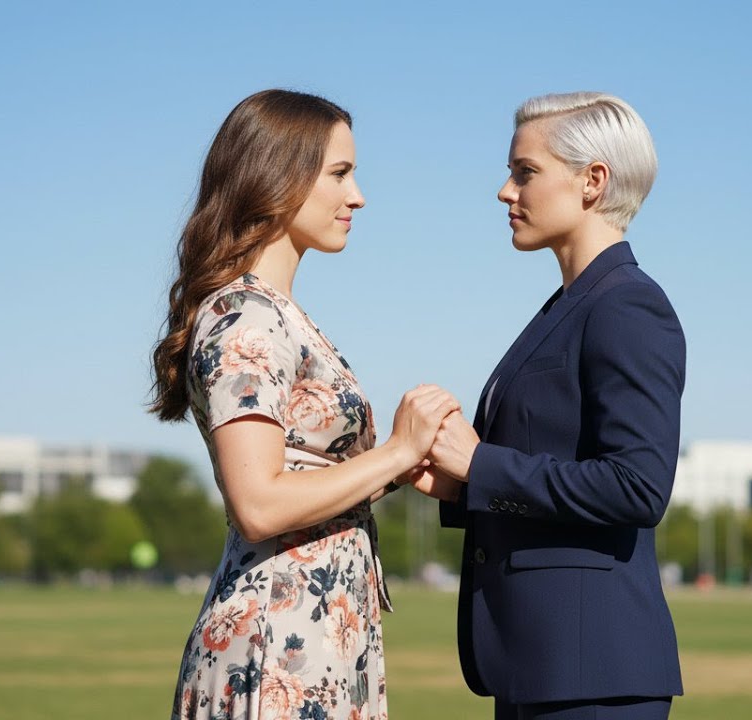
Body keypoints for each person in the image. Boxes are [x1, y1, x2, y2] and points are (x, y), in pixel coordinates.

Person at [148, 89, 460, 720]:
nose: (358, 196)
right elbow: (260, 504)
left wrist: (402, 470)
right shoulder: (245, 317)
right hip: (276, 644)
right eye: (340, 173)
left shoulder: (279, 313)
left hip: (317, 636)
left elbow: (305, 476)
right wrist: (396, 449)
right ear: (279, 176)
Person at [416, 92, 687, 719]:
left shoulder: (626, 306)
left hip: (592, 679)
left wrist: (480, 464)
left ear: (593, 181)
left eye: (524, 172)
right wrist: (460, 486)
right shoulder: (571, 306)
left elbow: (638, 486)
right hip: (540, 670)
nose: (505, 192)